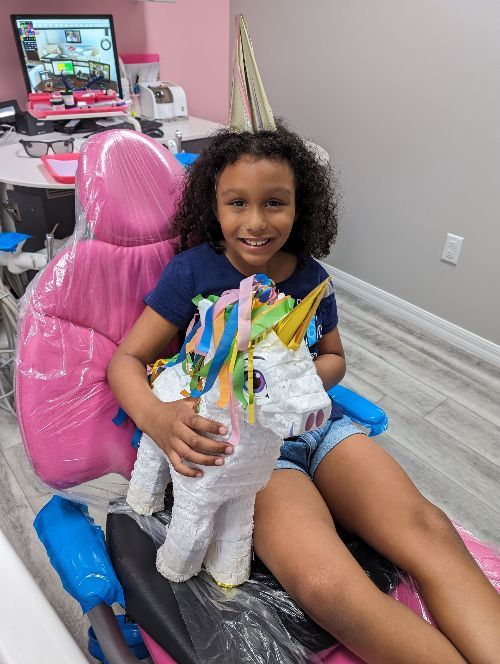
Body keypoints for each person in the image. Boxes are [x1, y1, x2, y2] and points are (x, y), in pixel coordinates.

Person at [107, 122, 500, 663]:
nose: (256, 221)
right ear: (213, 207)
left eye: (275, 203)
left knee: (428, 529)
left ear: (299, 207)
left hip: (321, 430)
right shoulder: (192, 272)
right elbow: (126, 360)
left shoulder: (311, 278)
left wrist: (297, 386)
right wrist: (157, 416)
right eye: (237, 202)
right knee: (325, 584)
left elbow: (334, 357)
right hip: (247, 451)